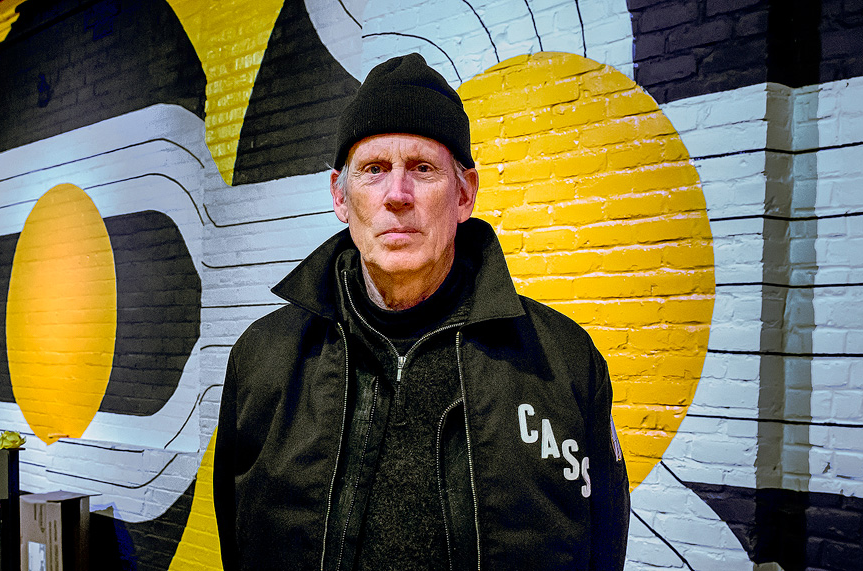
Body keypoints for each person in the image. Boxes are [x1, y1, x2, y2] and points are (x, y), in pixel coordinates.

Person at [213, 53, 629, 571]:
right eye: (373, 170)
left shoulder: (564, 363)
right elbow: (238, 543)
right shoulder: (262, 360)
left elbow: (604, 547)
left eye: (423, 169)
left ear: (465, 194)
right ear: (340, 197)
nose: (397, 196)